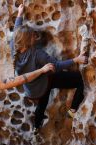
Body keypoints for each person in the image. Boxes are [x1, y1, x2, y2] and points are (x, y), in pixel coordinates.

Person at [10, 4, 88, 134]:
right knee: (80, 80)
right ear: (30, 40)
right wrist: (76, 59)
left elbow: (17, 28)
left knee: (42, 102)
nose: (36, 37)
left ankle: (36, 126)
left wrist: (20, 13)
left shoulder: (14, 46)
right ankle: (73, 109)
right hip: (44, 83)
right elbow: (56, 66)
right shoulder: (37, 54)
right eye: (34, 36)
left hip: (32, 90)